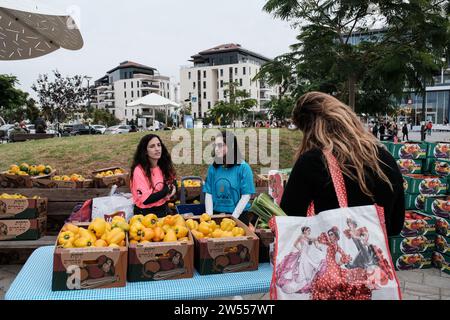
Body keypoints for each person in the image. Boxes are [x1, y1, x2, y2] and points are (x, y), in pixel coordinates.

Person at [280, 92, 405, 237]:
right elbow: (396, 226)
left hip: (328, 257)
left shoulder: (313, 162)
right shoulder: (385, 158)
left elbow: (289, 221)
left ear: (308, 130)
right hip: (376, 256)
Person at [203, 131, 256, 225]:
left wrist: (233, 218)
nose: (216, 149)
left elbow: (246, 195)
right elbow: (209, 193)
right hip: (216, 216)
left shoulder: (243, 168)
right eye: (215, 145)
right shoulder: (213, 168)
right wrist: (209, 217)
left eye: (220, 145)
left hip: (238, 216)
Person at [130, 134, 177, 217]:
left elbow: (173, 182)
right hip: (145, 215)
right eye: (152, 146)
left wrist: (172, 188)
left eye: (159, 145)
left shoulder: (164, 165)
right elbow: (146, 199)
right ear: (145, 151)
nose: (157, 149)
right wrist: (166, 190)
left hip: (163, 210)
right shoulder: (139, 170)